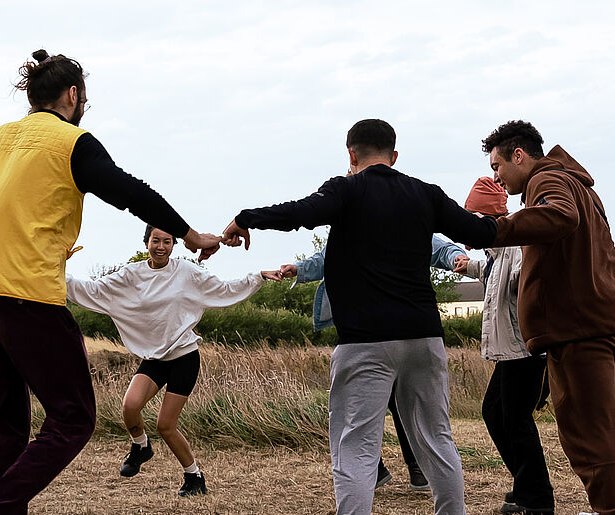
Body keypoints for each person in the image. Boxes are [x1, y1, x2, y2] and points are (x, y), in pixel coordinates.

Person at [0, 49, 223, 514]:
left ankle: (5, 507)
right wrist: (189, 234)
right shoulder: (72, 142)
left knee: (6, 425)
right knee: (73, 418)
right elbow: (131, 192)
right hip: (29, 296)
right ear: (73, 95)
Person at [222, 119, 497, 515]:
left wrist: (246, 217)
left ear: (351, 154)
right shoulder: (425, 194)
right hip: (424, 338)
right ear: (394, 156)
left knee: (356, 447)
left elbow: (299, 212)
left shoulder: (345, 190)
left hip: (364, 342)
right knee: (437, 438)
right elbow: (481, 231)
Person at [479, 120, 615, 515]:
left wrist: (492, 229)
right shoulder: (575, 183)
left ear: (519, 156)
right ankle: (614, 507)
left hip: (580, 328)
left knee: (589, 433)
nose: (496, 177)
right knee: (610, 431)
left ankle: (611, 511)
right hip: (608, 316)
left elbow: (560, 216)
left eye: (498, 166)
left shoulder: (546, 182)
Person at [67, 226, 281, 497]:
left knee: (165, 425)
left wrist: (258, 276)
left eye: (167, 241)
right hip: (155, 358)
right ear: (146, 242)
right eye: (155, 240)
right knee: (129, 407)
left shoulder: (186, 272)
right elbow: (94, 290)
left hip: (184, 357)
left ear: (174, 244)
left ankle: (195, 478)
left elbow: (224, 289)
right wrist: (55, 270)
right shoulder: (132, 275)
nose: (160, 246)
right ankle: (141, 446)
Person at [282, 233, 468, 492]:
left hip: (394, 330)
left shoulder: (403, 219)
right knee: (373, 404)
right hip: (365, 328)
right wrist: (299, 269)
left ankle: (408, 468)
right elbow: (325, 258)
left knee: (393, 403)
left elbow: (438, 247)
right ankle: (397, 469)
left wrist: (456, 257)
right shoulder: (350, 230)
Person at [455, 177, 554, 514]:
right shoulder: (497, 252)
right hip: (510, 352)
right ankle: (528, 484)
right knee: (495, 413)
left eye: (471, 218)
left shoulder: (518, 246)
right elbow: (495, 271)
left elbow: (527, 279)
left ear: (488, 218)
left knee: (515, 420)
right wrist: (469, 265)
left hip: (525, 351)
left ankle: (537, 500)